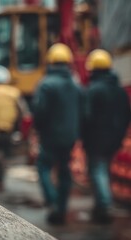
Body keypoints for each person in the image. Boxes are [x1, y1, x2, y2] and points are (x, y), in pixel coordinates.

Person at [32, 43, 82, 225]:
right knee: (64, 171)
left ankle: (52, 202)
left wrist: (37, 129)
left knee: (44, 167)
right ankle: (61, 209)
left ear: (50, 62)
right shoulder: (76, 84)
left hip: (50, 136)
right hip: (69, 136)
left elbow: (40, 111)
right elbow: (83, 111)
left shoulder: (46, 84)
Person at [82, 49, 131, 224]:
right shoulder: (119, 91)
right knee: (104, 169)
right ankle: (100, 205)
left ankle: (104, 205)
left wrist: (84, 136)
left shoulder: (93, 90)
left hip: (97, 139)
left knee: (98, 170)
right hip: (115, 138)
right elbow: (127, 114)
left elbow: (86, 117)